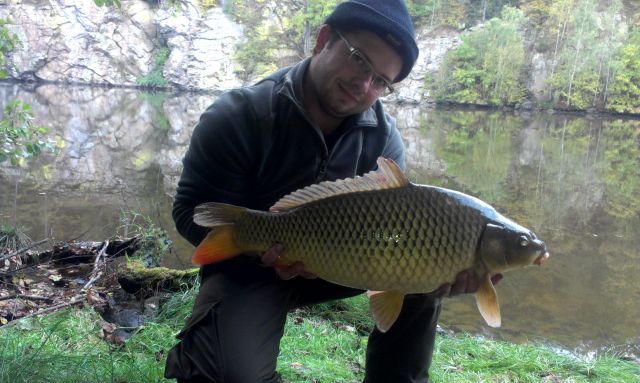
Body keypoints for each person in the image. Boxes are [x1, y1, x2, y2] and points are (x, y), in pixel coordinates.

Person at [165, 1, 501, 382]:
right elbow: (190, 213)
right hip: (252, 266)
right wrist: (265, 253)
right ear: (323, 40)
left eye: (380, 81)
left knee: (423, 273)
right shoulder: (240, 115)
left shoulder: (383, 140)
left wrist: (432, 259)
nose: (364, 85)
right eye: (359, 60)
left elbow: (394, 231)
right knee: (230, 373)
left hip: (345, 262)